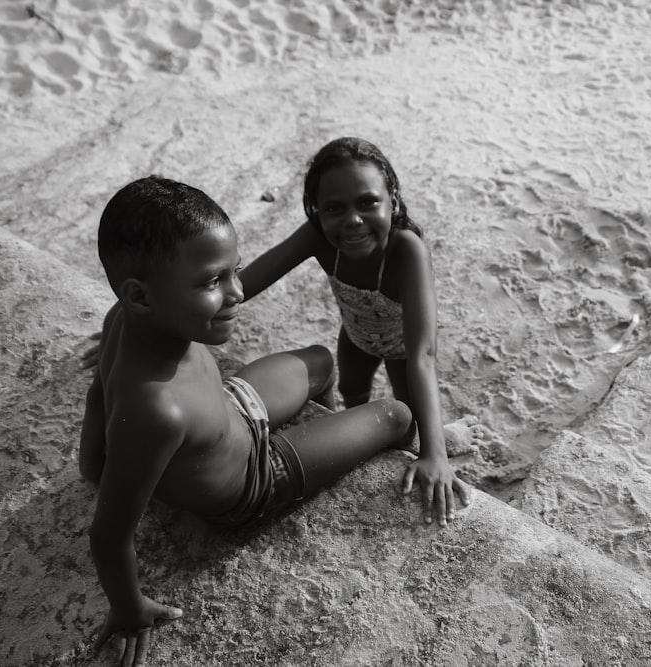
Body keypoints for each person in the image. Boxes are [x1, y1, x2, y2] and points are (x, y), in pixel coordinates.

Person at [79, 175, 415, 665]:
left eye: (233, 271)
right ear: (142, 296)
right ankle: (371, 443)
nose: (238, 292)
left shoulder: (124, 319)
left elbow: (96, 397)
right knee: (395, 413)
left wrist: (91, 465)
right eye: (213, 281)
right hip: (253, 479)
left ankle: (331, 423)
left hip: (232, 407)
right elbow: (108, 535)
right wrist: (129, 609)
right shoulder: (155, 410)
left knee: (320, 359)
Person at [238, 136, 476, 530]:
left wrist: (435, 456)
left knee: (408, 430)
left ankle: (446, 439)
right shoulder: (317, 237)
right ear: (317, 213)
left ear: (393, 200)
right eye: (334, 208)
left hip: (403, 351)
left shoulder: (406, 250)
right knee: (352, 396)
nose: (352, 220)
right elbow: (245, 284)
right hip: (355, 338)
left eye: (368, 202)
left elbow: (423, 356)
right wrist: (146, 315)